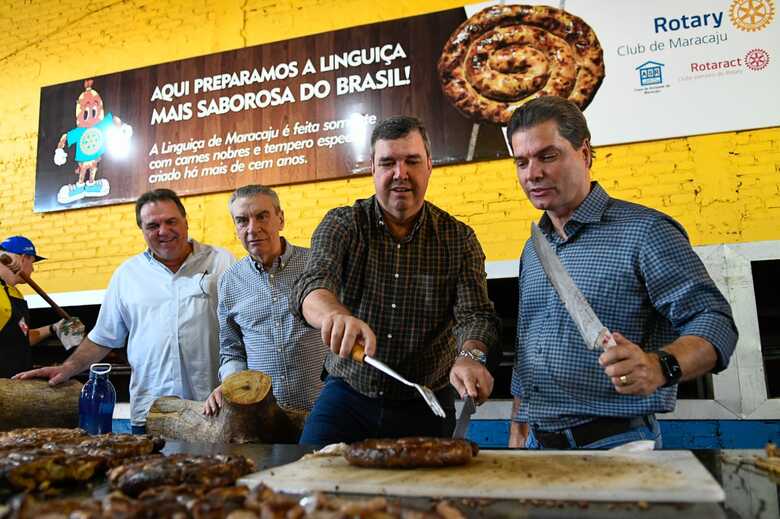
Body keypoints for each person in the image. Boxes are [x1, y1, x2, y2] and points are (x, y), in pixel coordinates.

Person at [507, 96, 738, 449]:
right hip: (537, 444)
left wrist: (660, 366)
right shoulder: (534, 249)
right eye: (521, 162)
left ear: (585, 154)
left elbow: (715, 320)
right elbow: (528, 345)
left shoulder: (645, 232)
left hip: (618, 443)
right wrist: (519, 424)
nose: (532, 174)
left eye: (547, 156)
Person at [293, 115, 500, 445]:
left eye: (412, 161)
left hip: (426, 400)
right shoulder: (343, 224)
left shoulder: (458, 239)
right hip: (349, 394)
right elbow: (312, 285)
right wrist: (334, 315)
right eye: (388, 162)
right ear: (373, 168)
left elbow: (475, 315)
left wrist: (470, 356)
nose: (400, 173)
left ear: (429, 165)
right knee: (307, 470)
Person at [15, 189, 235, 432]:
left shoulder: (222, 262)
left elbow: (243, 330)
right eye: (153, 225)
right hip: (152, 414)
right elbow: (103, 337)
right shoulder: (128, 275)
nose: (163, 231)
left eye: (171, 221)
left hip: (212, 410)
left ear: (186, 221)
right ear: (142, 230)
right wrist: (67, 369)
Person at [203, 185, 326, 416]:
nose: (253, 228)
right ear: (235, 228)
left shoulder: (316, 265)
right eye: (242, 220)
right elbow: (232, 350)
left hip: (321, 411)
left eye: (262, 216)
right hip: (263, 418)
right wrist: (230, 386)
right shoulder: (229, 281)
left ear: (281, 219)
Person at [0, 236, 85, 378]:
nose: (33, 269)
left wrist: (54, 327)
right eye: (32, 262)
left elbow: (21, 339)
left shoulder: (16, 294)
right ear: (23, 258)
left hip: (17, 383)